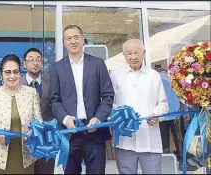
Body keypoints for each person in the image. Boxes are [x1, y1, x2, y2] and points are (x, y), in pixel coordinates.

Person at [49, 24, 115, 174]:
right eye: (68, 38)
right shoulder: (57, 68)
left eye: (76, 37)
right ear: (64, 42)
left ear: (83, 39)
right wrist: (66, 119)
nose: (73, 41)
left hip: (95, 132)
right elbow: (54, 101)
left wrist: (97, 119)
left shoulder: (98, 64)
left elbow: (108, 96)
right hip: (70, 133)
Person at [110, 39, 169, 174]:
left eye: (137, 53)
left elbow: (163, 104)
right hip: (125, 141)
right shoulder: (115, 75)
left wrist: (156, 115)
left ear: (144, 53)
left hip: (150, 139)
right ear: (123, 55)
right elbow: (109, 103)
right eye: (129, 54)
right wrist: (119, 115)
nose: (133, 57)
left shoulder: (153, 75)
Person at [0, 54, 42, 174]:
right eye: (8, 72)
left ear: (20, 73)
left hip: (26, 155)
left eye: (15, 72)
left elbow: (39, 122)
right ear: (1, 74)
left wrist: (33, 133)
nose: (12, 76)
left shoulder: (31, 93)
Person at [20, 48, 55, 174]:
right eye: (31, 60)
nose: (35, 63)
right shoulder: (17, 83)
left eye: (38, 59)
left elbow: (55, 106)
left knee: (45, 171)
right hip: (23, 138)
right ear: (24, 63)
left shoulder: (50, 83)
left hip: (45, 139)